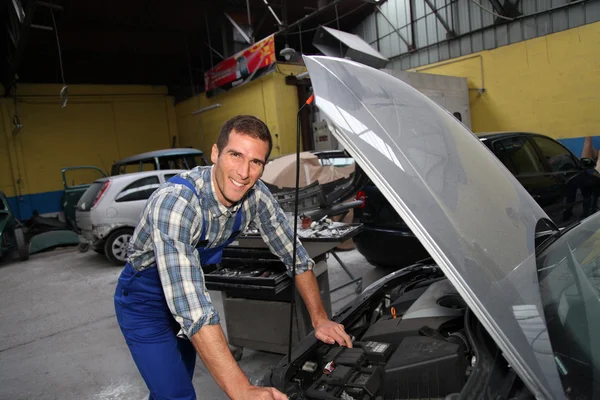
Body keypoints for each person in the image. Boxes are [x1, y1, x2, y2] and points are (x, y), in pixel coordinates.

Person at [114, 115, 353, 400]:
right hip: (145, 302)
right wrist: (242, 389)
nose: (243, 172)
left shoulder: (257, 197)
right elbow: (194, 310)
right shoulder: (176, 202)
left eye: (256, 162)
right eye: (235, 155)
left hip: (187, 290)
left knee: (175, 380)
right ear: (215, 153)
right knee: (176, 394)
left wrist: (320, 319)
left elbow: (296, 257)